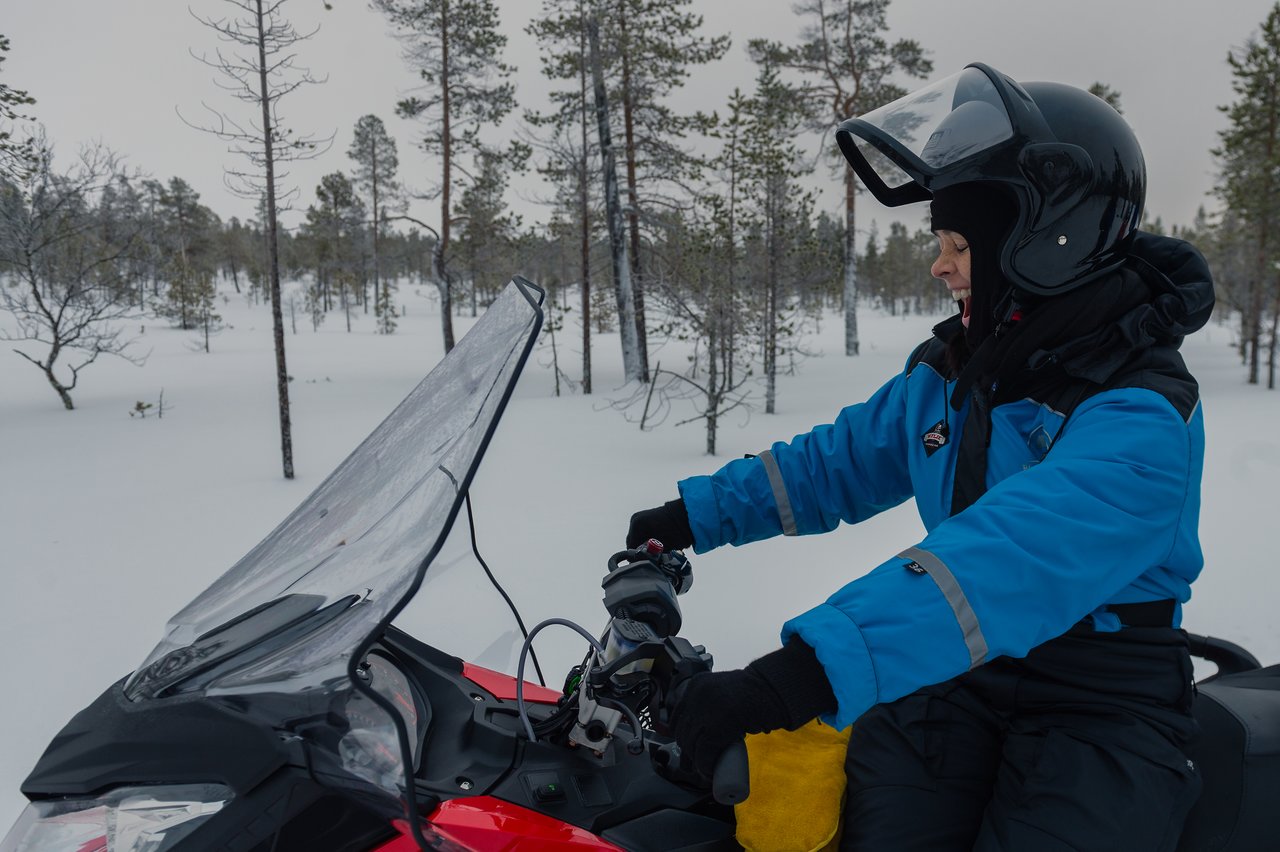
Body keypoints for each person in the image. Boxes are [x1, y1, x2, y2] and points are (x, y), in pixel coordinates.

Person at [626, 63, 1215, 851]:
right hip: (963, 675)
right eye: (941, 243)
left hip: (1099, 696)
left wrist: (796, 675)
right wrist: (693, 515)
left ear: (1046, 247)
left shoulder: (1141, 412)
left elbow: (1007, 560)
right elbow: (836, 460)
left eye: (961, 244)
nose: (940, 266)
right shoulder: (960, 370)